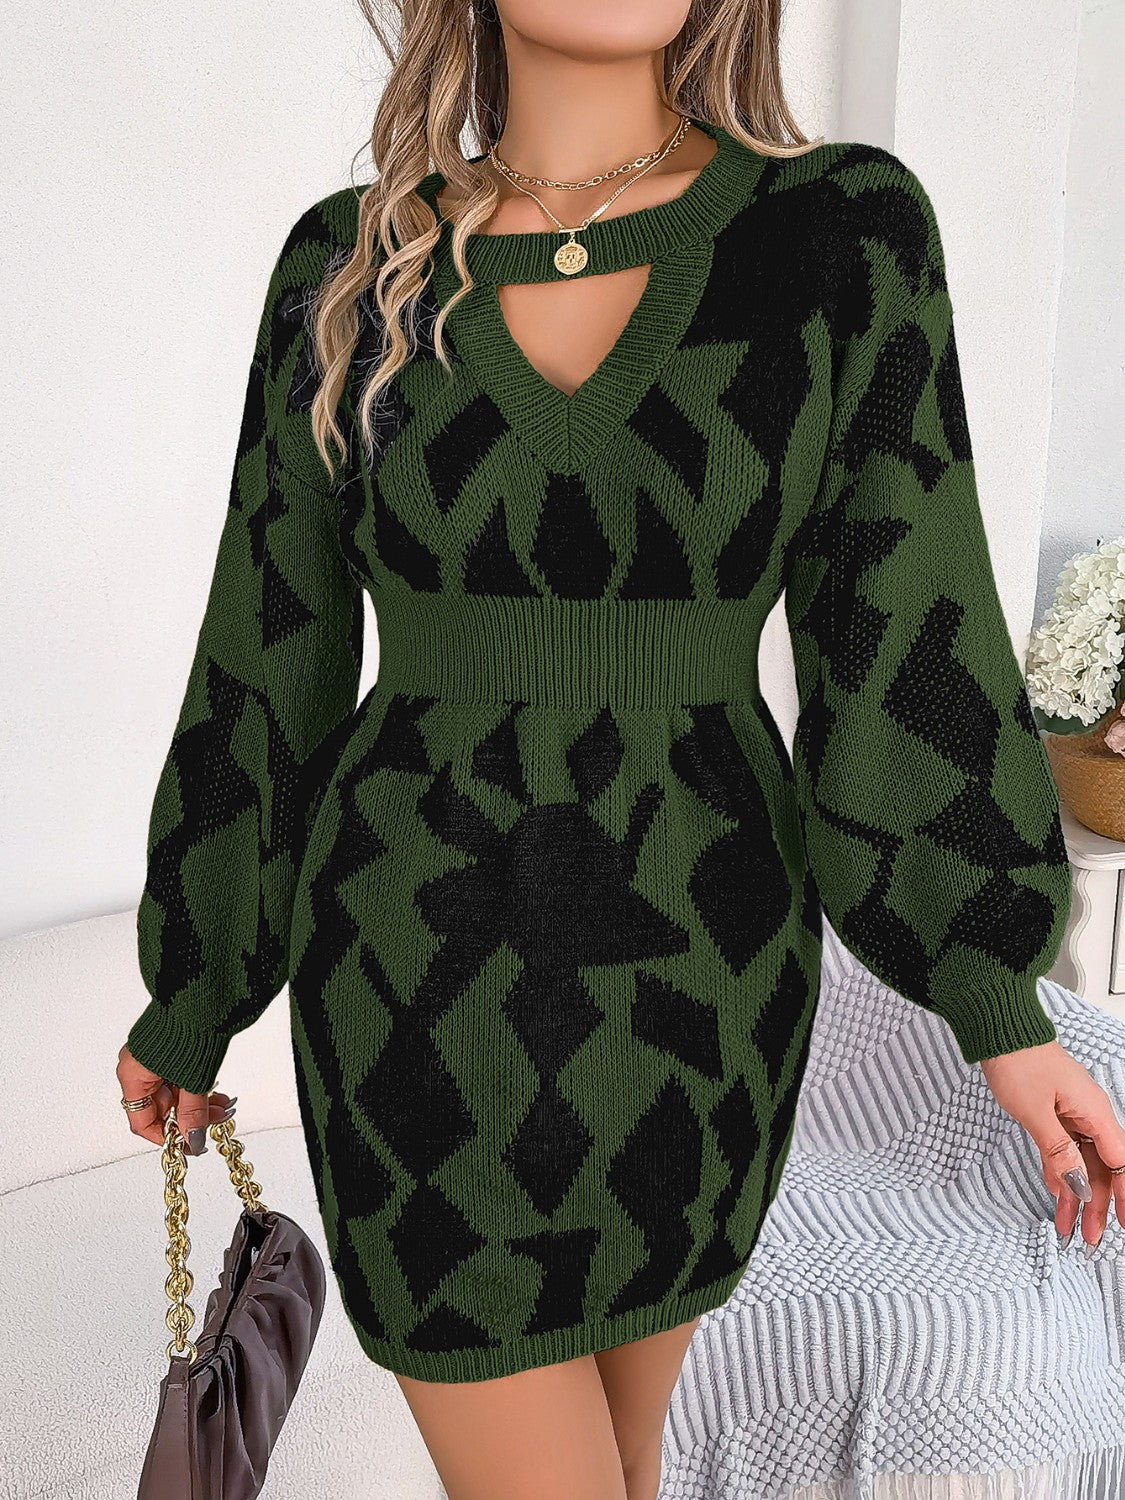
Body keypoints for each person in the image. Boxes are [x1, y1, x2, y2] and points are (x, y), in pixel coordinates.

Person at [115, 2, 1125, 1496]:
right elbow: (268, 655)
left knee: (632, 1466)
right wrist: (199, 991)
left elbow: (906, 631)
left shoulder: (839, 236)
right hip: (418, 1001)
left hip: (705, 1001)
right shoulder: (351, 264)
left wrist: (997, 1004)